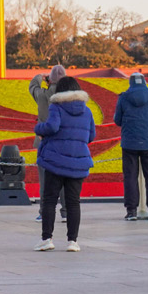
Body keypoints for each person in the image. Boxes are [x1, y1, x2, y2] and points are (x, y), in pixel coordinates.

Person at [35, 75, 94, 251]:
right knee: (73, 202)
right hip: (78, 161)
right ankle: (73, 242)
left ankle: (47, 239)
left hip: (56, 160)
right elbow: (91, 136)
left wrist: (39, 128)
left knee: (50, 200)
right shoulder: (87, 111)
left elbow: (52, 127)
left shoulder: (56, 107)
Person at [113, 72, 148, 220]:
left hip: (129, 143)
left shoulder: (123, 97)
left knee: (130, 177)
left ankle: (131, 211)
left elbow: (118, 120)